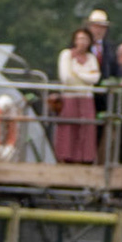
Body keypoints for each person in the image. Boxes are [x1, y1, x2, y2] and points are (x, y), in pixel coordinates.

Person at [52, 28, 99, 164]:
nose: (82, 42)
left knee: (86, 128)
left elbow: (95, 78)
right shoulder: (66, 55)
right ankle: (66, 157)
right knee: (68, 128)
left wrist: (77, 73)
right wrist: (85, 76)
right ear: (74, 40)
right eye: (80, 39)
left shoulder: (91, 57)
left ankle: (85, 158)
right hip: (70, 97)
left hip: (86, 98)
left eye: (85, 39)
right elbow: (66, 77)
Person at [84, 10, 121, 81]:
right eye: (96, 27)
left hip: (105, 89)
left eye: (102, 27)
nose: (99, 30)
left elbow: (116, 71)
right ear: (89, 27)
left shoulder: (111, 48)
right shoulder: (81, 45)